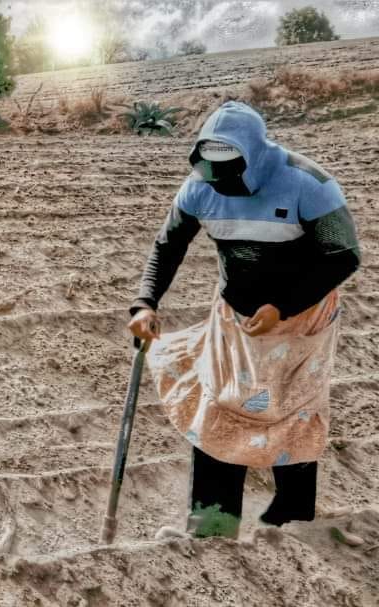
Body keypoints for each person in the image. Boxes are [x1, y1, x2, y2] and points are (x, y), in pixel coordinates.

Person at [128, 101, 360, 538]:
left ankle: (291, 518)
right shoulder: (199, 187)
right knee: (221, 403)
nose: (223, 183)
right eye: (213, 171)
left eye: (233, 170)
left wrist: (283, 307)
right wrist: (146, 302)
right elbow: (168, 245)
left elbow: (343, 257)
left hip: (301, 319)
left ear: (254, 156)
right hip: (235, 317)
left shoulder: (306, 184)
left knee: (292, 409)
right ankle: (214, 519)